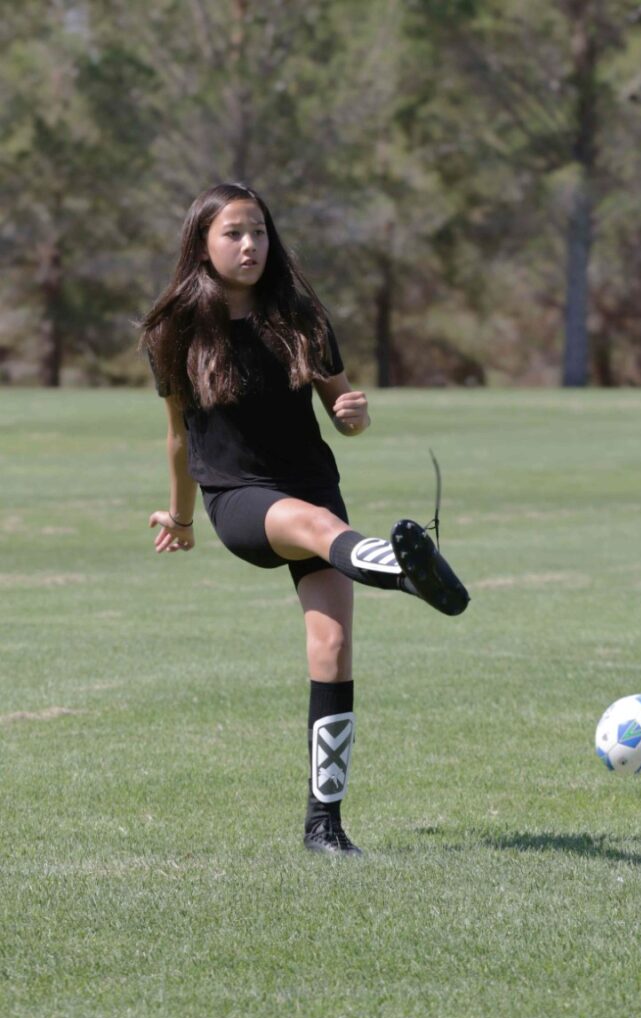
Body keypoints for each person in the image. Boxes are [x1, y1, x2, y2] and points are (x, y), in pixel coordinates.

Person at [140, 182, 469, 857]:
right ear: (202, 242)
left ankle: (324, 826)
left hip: (313, 484)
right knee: (319, 530)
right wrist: (181, 517)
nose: (249, 244)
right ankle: (407, 575)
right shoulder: (172, 328)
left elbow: (342, 407)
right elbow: (178, 435)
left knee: (333, 651)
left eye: (258, 230)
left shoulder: (299, 314)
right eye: (233, 232)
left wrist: (355, 415)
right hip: (239, 498)